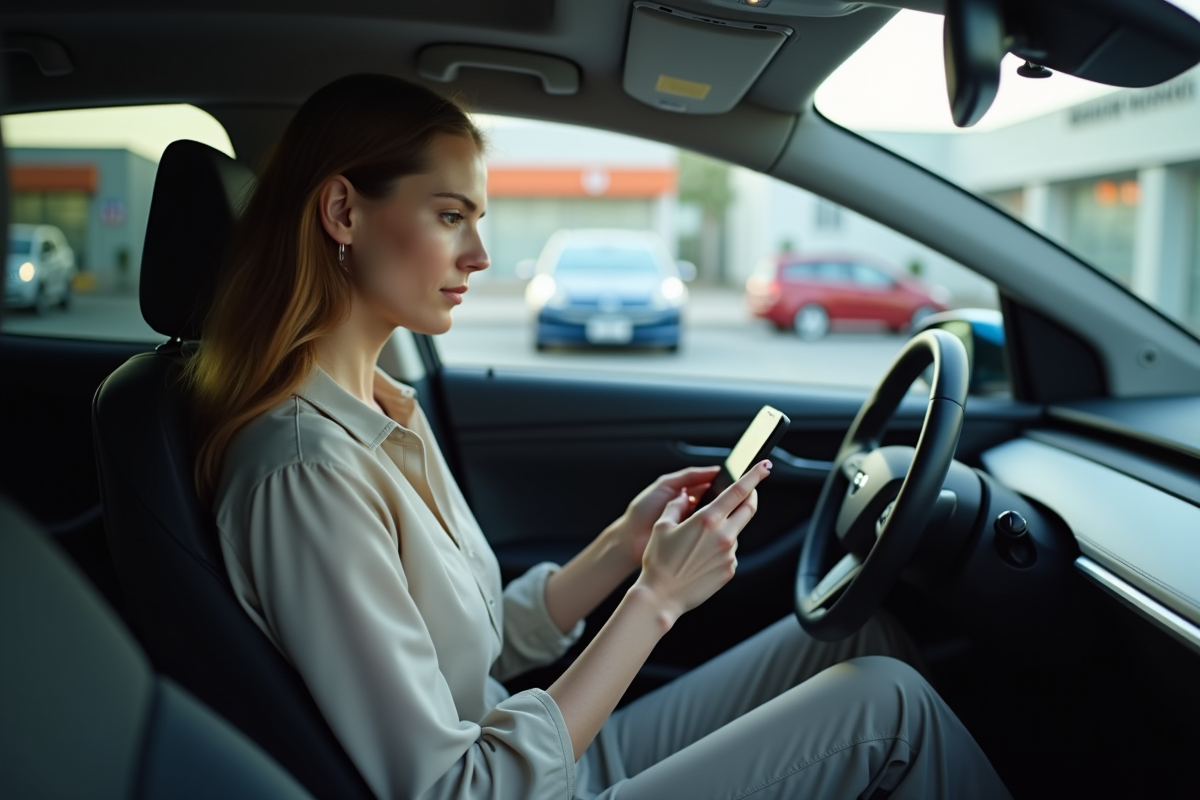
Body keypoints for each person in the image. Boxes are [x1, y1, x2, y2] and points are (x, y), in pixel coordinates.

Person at [189, 74, 1010, 800]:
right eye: (449, 216)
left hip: (540, 755)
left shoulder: (386, 408)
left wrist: (624, 545)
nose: (479, 255)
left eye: (477, 220)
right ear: (343, 212)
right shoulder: (305, 470)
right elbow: (456, 791)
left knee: (862, 635)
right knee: (891, 713)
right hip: (515, 783)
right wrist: (656, 599)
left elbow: (478, 645)